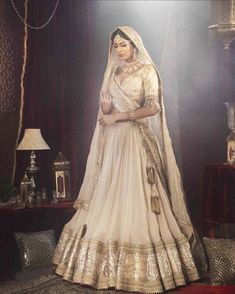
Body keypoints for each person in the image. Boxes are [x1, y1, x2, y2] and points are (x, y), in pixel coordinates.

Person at [53, 26, 206, 293]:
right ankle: (105, 269)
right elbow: (108, 110)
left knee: (137, 199)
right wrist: (105, 109)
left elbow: (154, 107)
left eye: (124, 44)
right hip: (113, 142)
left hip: (136, 142)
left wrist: (119, 117)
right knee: (111, 196)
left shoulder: (147, 71)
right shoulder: (114, 72)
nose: (119, 50)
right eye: (115, 46)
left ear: (135, 44)